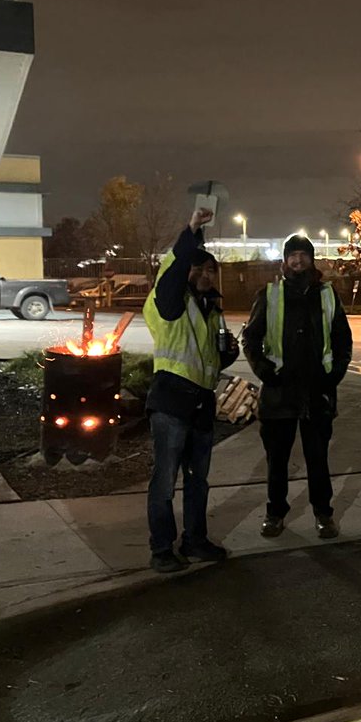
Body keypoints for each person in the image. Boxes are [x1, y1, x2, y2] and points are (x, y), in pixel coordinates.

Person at [142, 206, 239, 573]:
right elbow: (174, 269)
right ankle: (161, 549)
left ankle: (195, 539)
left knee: (198, 482)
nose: (203, 274)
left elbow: (205, 360)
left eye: (210, 269)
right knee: (165, 482)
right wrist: (192, 230)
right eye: (196, 268)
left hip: (200, 405)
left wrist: (227, 354)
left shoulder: (211, 309)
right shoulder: (169, 302)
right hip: (171, 403)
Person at [243, 234, 353, 539]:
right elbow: (251, 339)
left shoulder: (328, 295)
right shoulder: (269, 294)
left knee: (318, 460)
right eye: (293, 255)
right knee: (277, 461)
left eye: (304, 254)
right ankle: (275, 513)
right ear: (285, 261)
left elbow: (342, 339)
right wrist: (264, 371)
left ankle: (323, 514)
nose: (298, 260)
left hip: (317, 391)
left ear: (312, 260)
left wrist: (335, 374)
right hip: (280, 392)